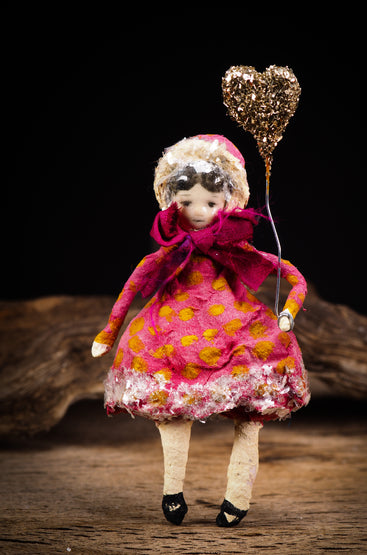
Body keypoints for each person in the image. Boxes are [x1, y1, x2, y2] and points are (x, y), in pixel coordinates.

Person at [92, 134, 310, 527]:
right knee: (172, 411)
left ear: (230, 201)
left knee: (250, 415)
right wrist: (109, 331)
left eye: (210, 203)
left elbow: (294, 277)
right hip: (171, 330)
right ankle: (172, 490)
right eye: (187, 201)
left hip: (235, 327)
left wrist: (288, 312)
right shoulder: (171, 250)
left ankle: (237, 496)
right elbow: (133, 284)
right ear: (170, 198)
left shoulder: (232, 247)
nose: (198, 212)